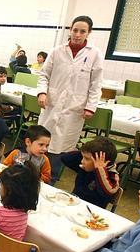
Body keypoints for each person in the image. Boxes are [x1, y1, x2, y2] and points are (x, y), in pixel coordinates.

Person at [37, 15, 103, 184]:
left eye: (82, 31)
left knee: (61, 148)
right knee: (43, 142)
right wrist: (42, 93)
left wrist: (91, 106)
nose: (78, 34)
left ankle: (51, 180)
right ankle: (35, 174)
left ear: (89, 33)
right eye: (75, 30)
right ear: (70, 30)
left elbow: (96, 84)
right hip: (52, 104)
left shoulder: (94, 54)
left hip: (74, 109)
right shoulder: (57, 51)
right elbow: (44, 75)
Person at [60, 137, 119, 208]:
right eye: (83, 157)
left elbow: (109, 191)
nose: (82, 161)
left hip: (91, 212)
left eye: (87, 159)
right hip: (74, 204)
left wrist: (100, 169)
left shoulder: (112, 174)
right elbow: (64, 158)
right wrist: (85, 152)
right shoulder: (87, 167)